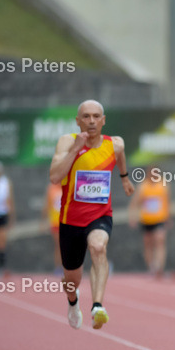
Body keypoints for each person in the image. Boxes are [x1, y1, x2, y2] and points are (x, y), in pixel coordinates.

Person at [49, 100, 134, 330]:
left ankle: (97, 306)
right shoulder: (67, 142)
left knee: (98, 247)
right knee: (71, 280)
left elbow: (121, 156)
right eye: (86, 116)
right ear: (78, 121)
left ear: (103, 120)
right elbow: (55, 177)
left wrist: (124, 177)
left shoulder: (115, 144)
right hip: (71, 220)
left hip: (100, 215)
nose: (91, 121)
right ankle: (73, 302)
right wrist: (77, 149)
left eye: (96, 116)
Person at [128, 167, 170, 279]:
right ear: (147, 174)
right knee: (148, 244)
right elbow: (135, 202)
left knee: (160, 240)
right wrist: (133, 217)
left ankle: (159, 267)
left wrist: (169, 217)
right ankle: (151, 267)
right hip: (146, 219)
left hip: (159, 219)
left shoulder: (163, 184)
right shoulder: (143, 186)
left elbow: (167, 201)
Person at [42, 181, 64, 276]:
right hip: (55, 222)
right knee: (59, 245)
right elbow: (47, 205)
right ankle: (59, 267)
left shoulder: (68, 185)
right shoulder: (51, 188)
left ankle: (70, 267)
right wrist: (43, 221)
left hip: (68, 221)